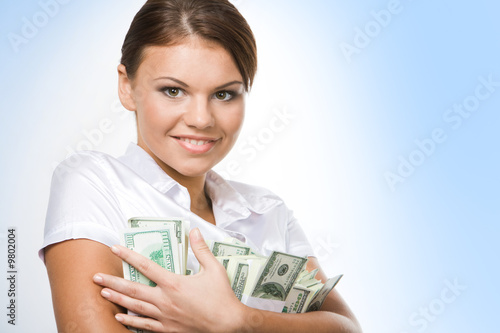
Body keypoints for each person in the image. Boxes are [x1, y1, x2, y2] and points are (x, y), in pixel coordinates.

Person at [40, 0, 362, 332]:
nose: (201, 119)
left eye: (224, 95)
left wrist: (239, 321)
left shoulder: (267, 212)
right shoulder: (93, 182)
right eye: (173, 90)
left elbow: (346, 328)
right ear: (127, 87)